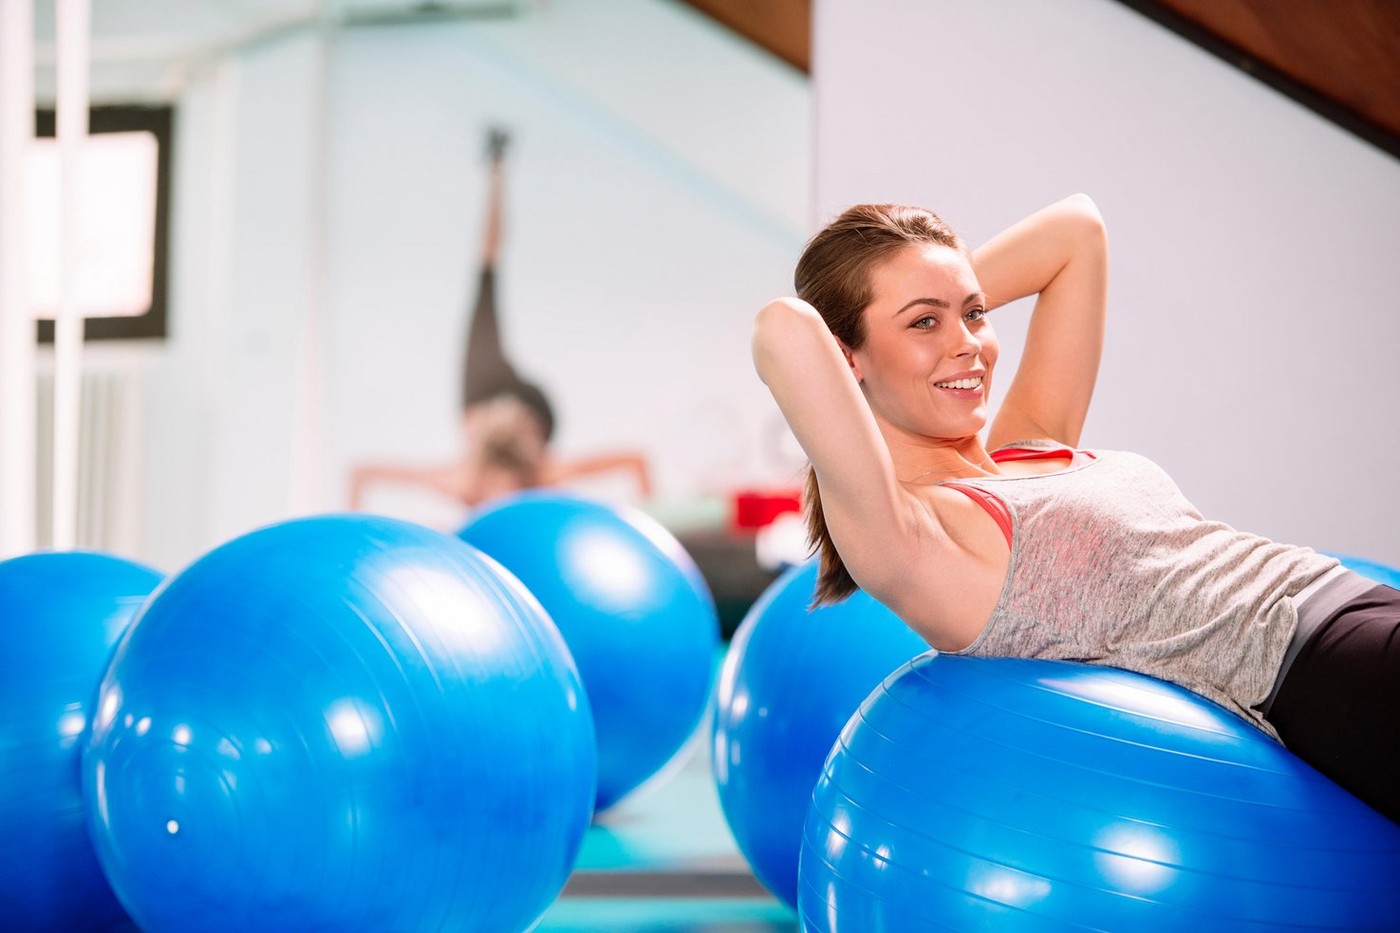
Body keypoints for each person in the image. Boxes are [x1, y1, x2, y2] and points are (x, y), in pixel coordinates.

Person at [751, 194, 1400, 821]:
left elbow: (1075, 231)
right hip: (1316, 668)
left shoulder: (1027, 444)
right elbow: (785, 328)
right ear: (846, 355)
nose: (969, 344)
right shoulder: (916, 537)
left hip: (1352, 602)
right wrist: (893, 316)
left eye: (975, 314)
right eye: (925, 322)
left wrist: (934, 297)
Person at [350, 128, 652, 512]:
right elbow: (636, 462)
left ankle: (497, 168)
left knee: (486, 272)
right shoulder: (545, 476)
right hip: (532, 407)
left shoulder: (461, 481)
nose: (500, 492)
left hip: (483, 396)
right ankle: (497, 167)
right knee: (486, 271)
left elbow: (362, 474)